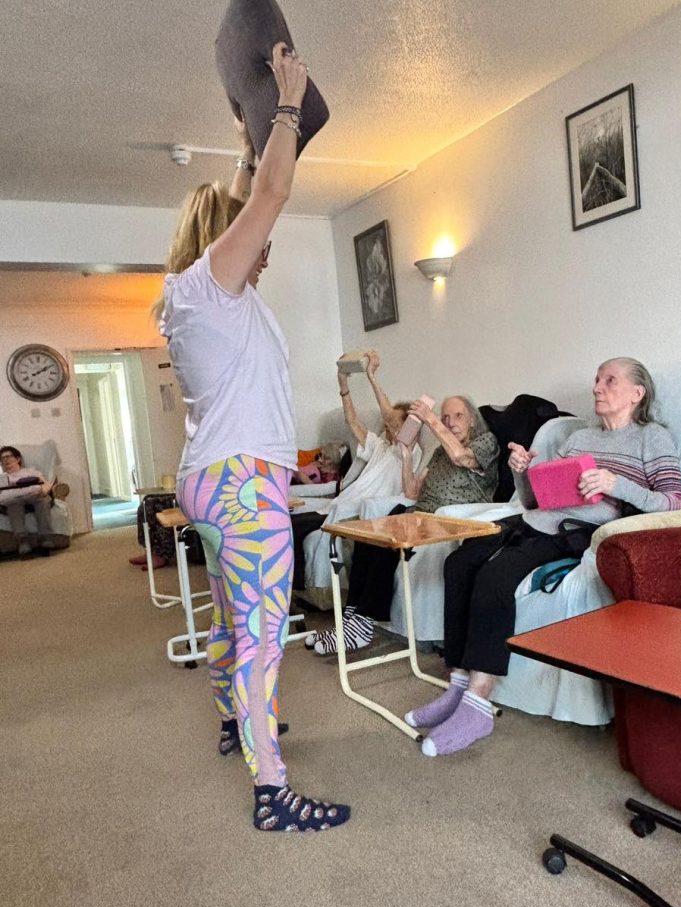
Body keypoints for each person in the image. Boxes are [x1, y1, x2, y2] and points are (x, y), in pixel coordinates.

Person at [156, 43, 349, 833]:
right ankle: (271, 789)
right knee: (266, 639)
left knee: (235, 623)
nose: (265, 246)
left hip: (211, 478)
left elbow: (248, 186)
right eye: (253, 238)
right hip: (240, 485)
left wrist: (246, 132)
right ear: (225, 238)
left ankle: (235, 723)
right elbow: (268, 192)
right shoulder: (212, 283)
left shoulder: (188, 298)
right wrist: (287, 110)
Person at [406, 357, 681, 757]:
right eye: (596, 379)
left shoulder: (652, 438)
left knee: (495, 577)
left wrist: (616, 484)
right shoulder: (578, 439)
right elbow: (535, 500)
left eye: (609, 380)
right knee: (460, 562)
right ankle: (457, 683)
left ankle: (479, 703)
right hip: (534, 520)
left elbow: (676, 501)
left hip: (577, 531)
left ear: (636, 393)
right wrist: (523, 470)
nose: (597, 387)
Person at [309, 395, 499, 655]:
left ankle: (361, 626)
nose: (450, 421)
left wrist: (430, 419)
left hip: (448, 519)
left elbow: (461, 457)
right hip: (418, 512)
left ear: (473, 421)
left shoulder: (485, 443)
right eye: (445, 416)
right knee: (371, 533)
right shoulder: (440, 451)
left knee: (388, 540)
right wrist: (407, 455)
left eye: (458, 416)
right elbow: (412, 491)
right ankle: (352, 620)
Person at [291, 349, 421, 591]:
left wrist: (372, 376)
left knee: (291, 529)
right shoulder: (380, 446)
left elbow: (390, 417)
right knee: (287, 525)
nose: (391, 426)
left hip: (356, 511)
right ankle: (291, 592)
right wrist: (343, 384)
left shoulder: (411, 452)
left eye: (398, 423)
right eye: (390, 425)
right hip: (339, 503)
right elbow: (352, 421)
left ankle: (289, 595)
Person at [0, 446, 55, 556]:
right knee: (13, 504)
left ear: (18, 459)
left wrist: (44, 491)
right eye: (2, 459)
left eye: (8, 456)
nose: (5, 460)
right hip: (12, 500)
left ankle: (46, 538)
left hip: (34, 496)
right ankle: (23, 542)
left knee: (43, 501)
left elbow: (46, 484)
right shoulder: (2, 478)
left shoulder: (31, 471)